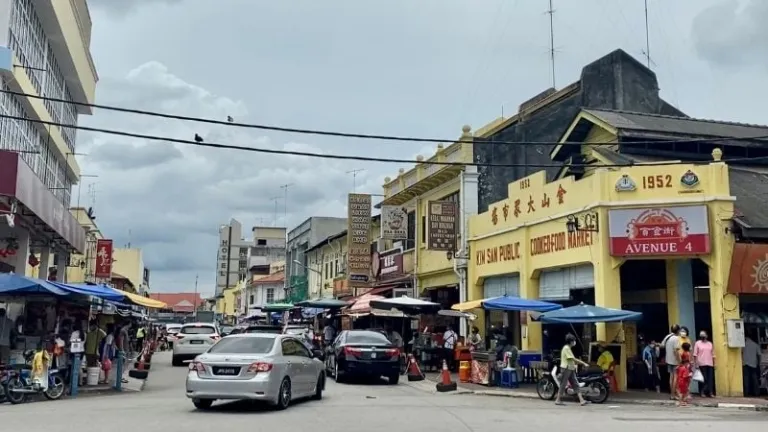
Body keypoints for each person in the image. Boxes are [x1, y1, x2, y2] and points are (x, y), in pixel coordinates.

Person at [555, 334, 589, 406]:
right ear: (571, 341)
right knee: (563, 384)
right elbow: (573, 359)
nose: (575, 342)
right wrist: (583, 363)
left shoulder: (568, 348)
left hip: (571, 368)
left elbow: (572, 360)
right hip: (566, 368)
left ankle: (581, 400)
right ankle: (558, 400)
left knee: (575, 384)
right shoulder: (566, 348)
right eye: (574, 341)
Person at [693, 330, 715, 397]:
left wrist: (714, 363)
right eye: (701, 335)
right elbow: (695, 354)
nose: (702, 336)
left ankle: (710, 392)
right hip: (701, 363)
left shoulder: (710, 344)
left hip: (710, 363)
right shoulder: (697, 343)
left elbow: (713, 354)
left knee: (710, 378)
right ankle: (702, 392)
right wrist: (696, 364)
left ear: (706, 336)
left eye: (703, 334)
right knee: (704, 379)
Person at [662, 324, 681, 399]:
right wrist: (679, 360)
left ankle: (672, 395)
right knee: (675, 377)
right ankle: (674, 394)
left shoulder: (668, 336)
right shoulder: (676, 339)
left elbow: (662, 345)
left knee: (671, 377)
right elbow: (676, 351)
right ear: (678, 330)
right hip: (675, 360)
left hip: (668, 359)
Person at [677, 342, 693, 406]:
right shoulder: (689, 353)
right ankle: (685, 399)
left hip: (684, 369)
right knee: (687, 385)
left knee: (682, 386)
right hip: (688, 368)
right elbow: (689, 361)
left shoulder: (683, 353)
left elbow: (681, 360)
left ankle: (682, 400)